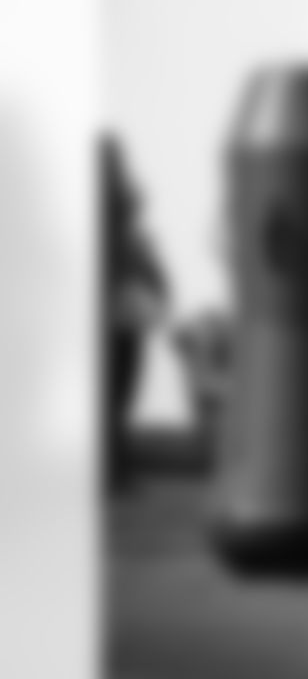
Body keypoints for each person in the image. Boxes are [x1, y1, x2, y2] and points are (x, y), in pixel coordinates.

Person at [103, 135, 170, 495]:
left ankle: (115, 469)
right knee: (117, 394)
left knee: (115, 395)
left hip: (122, 312)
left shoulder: (124, 219)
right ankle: (115, 470)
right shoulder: (121, 216)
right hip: (122, 312)